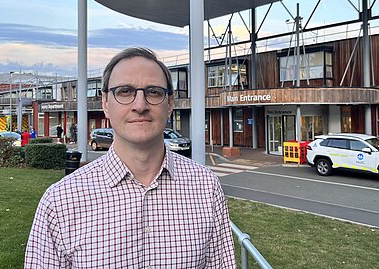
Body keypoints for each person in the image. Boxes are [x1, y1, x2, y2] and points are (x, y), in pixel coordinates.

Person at [25, 47, 236, 268]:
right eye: (125, 91)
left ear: (170, 104)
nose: (140, 105)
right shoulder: (60, 202)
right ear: (105, 103)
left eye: (154, 92)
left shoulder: (206, 187)